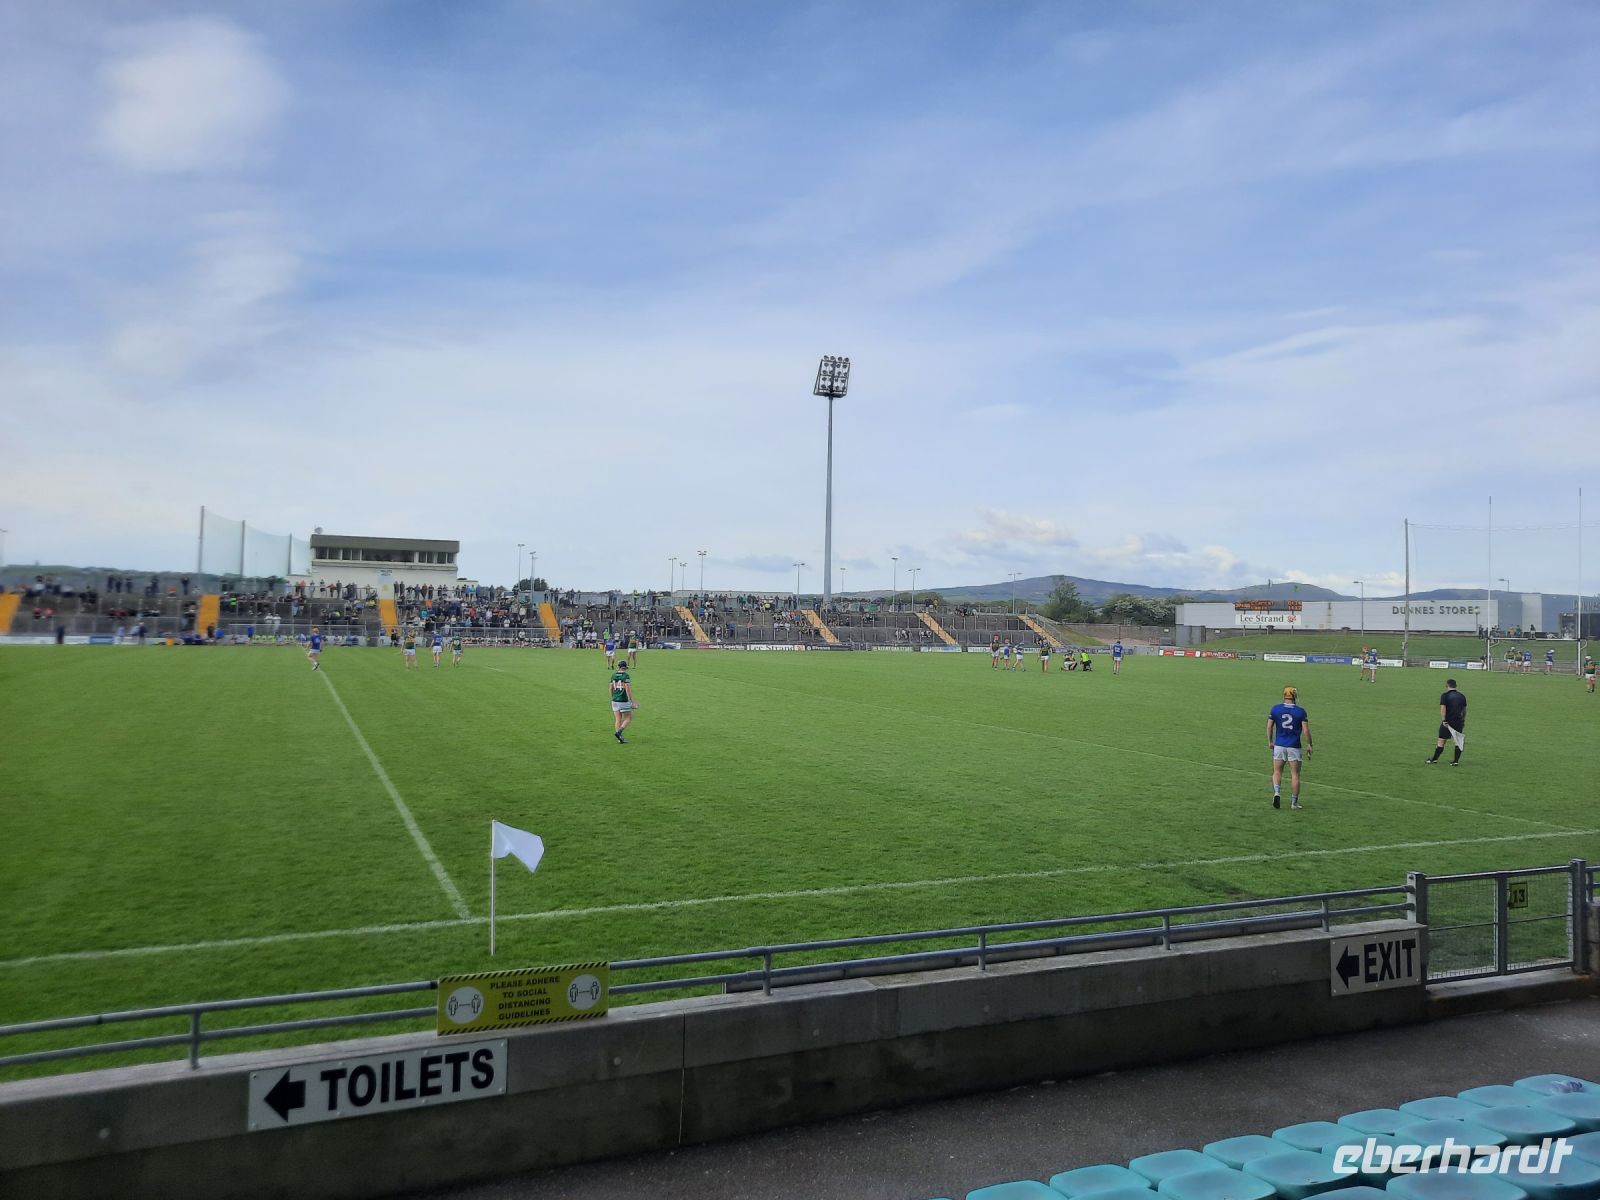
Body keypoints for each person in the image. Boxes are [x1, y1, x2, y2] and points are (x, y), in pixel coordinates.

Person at [1267, 685, 1312, 810]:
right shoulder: (1300, 711)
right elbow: (1306, 731)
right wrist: (1309, 744)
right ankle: (1294, 803)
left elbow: (1269, 727)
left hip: (1279, 745)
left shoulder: (1275, 709)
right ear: (1294, 696)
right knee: (1295, 775)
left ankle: (1277, 792)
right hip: (1294, 746)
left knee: (1277, 772)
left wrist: (1271, 741)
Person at [1427, 679, 1468, 766]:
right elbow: (1464, 710)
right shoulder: (1462, 696)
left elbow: (1443, 708)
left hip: (1448, 722)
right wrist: (1463, 720)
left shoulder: (1445, 695)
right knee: (1457, 741)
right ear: (1456, 685)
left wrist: (1444, 720)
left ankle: (1434, 759)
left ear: (1447, 685)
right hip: (1458, 722)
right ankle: (1456, 761)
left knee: (1441, 740)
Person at [609, 663, 638, 743]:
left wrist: (613, 697)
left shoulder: (613, 675)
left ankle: (620, 739)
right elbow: (627, 689)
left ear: (618, 667)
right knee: (629, 717)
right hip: (623, 700)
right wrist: (631, 702)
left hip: (614, 700)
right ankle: (619, 732)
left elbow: (610, 688)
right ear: (625, 667)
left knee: (618, 719)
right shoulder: (625, 676)